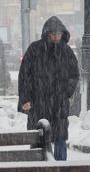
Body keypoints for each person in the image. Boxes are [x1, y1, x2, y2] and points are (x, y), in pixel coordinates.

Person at [18, 16, 80, 160]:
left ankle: (60, 170)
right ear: (47, 33)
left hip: (59, 104)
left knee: (59, 139)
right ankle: (38, 169)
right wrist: (25, 98)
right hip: (38, 102)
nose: (56, 36)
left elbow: (74, 75)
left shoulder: (66, 52)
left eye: (58, 33)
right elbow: (24, 75)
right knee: (37, 138)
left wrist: (65, 92)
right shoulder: (35, 49)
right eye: (53, 33)